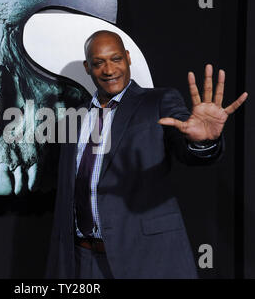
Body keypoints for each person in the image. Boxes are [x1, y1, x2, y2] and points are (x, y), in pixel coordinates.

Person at [45, 30, 248, 279]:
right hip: (82, 259)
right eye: (99, 63)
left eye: (116, 59)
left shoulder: (158, 101)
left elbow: (188, 151)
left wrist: (203, 141)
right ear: (88, 67)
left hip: (145, 255)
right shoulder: (75, 116)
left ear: (128, 57)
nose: (109, 70)